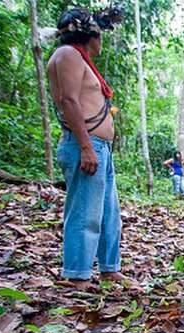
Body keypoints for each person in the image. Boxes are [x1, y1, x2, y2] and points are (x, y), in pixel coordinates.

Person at [47, 6, 133, 290]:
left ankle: (109, 269)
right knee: (85, 212)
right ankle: (77, 275)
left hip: (99, 146)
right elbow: (69, 101)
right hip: (86, 144)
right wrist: (85, 146)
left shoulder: (79, 58)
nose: (102, 39)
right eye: (99, 33)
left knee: (108, 211)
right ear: (87, 34)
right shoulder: (68, 54)